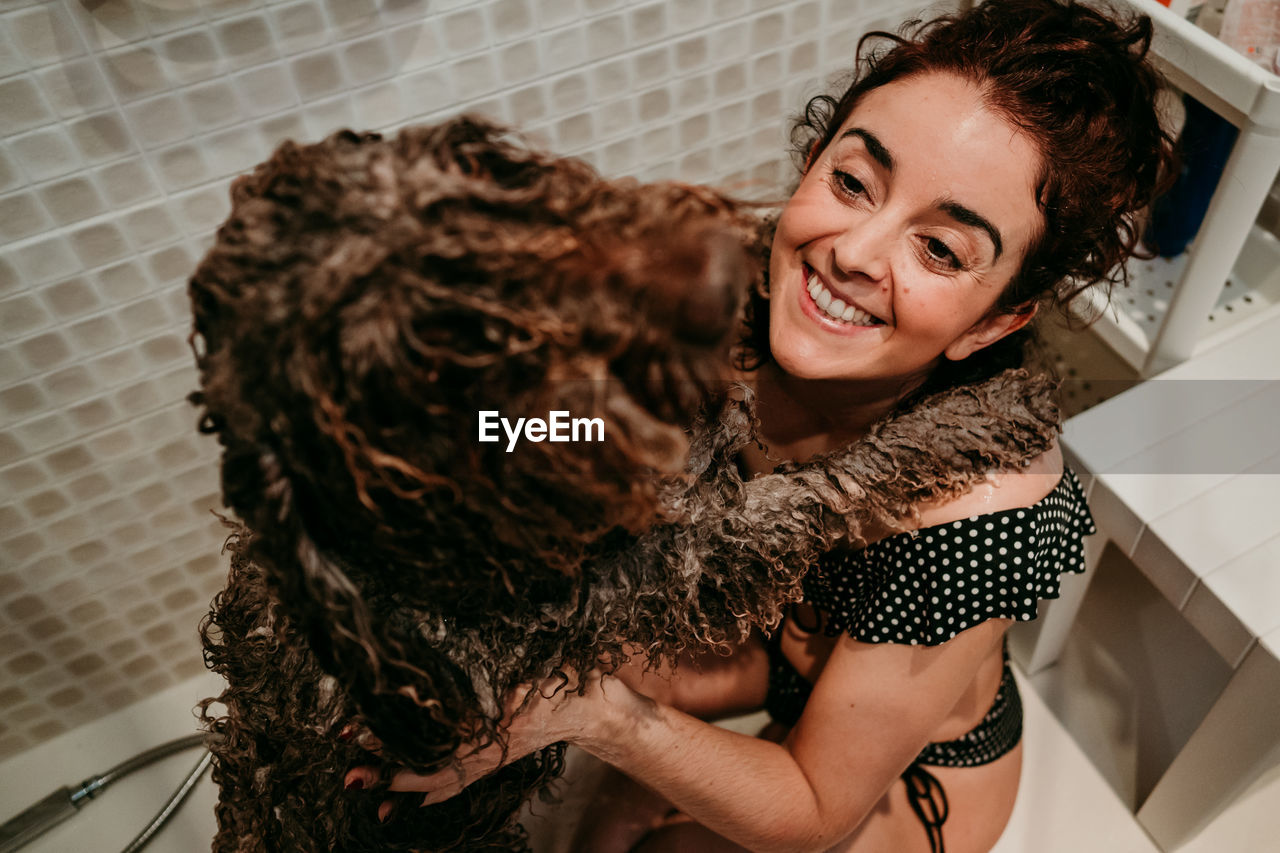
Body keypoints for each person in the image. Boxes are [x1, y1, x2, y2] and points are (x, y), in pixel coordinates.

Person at [344, 1, 1177, 851]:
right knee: (525, 723)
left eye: (940, 249)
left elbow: (814, 808)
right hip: (778, 656)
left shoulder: (982, 505)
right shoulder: (741, 301)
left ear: (992, 323)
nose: (853, 252)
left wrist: (597, 715)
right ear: (814, 160)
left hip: (914, 777)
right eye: (853, 183)